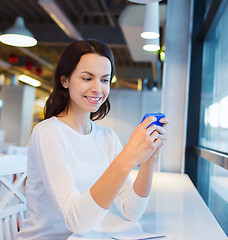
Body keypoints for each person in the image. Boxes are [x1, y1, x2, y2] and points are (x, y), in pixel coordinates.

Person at [17, 39, 168, 240]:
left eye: (105, 80)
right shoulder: (48, 132)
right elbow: (76, 221)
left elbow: (131, 211)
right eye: (88, 78)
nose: (98, 88)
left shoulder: (107, 137)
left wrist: (149, 156)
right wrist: (128, 158)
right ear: (65, 80)